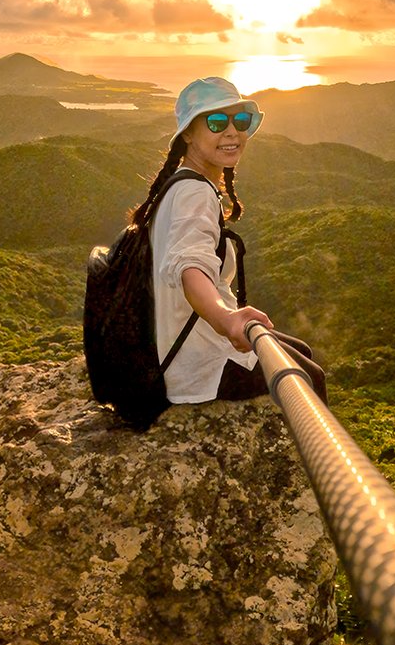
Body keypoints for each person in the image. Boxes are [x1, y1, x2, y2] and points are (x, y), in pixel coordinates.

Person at [130, 75, 327, 406]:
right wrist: (227, 319)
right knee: (311, 378)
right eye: (217, 121)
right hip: (196, 365)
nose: (232, 131)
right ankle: (313, 458)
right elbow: (190, 266)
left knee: (302, 352)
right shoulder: (195, 193)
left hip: (179, 348)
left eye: (240, 120)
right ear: (189, 134)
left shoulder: (179, 185)